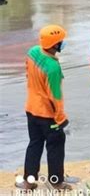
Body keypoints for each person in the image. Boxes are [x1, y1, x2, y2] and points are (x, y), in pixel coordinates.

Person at [17, 25, 71, 190]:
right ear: (55, 44)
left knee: (35, 144)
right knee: (55, 146)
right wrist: (61, 119)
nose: (63, 43)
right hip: (47, 115)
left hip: (31, 108)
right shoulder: (53, 68)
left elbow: (28, 72)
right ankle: (56, 181)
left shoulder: (33, 52)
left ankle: (28, 181)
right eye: (61, 41)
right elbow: (55, 97)